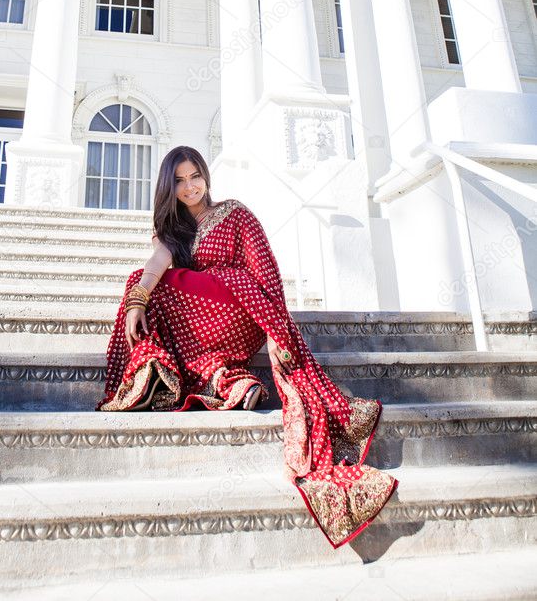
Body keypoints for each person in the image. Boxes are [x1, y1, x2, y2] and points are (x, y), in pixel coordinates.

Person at [96, 145, 398, 548]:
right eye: (180, 181)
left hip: (243, 311)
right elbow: (157, 263)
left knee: (166, 286)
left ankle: (202, 374)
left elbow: (265, 270)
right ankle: (227, 380)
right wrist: (138, 298)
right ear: (169, 187)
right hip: (202, 323)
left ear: (206, 174)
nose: (190, 187)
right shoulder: (172, 230)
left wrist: (276, 329)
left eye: (195, 176)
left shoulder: (235, 213)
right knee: (144, 283)